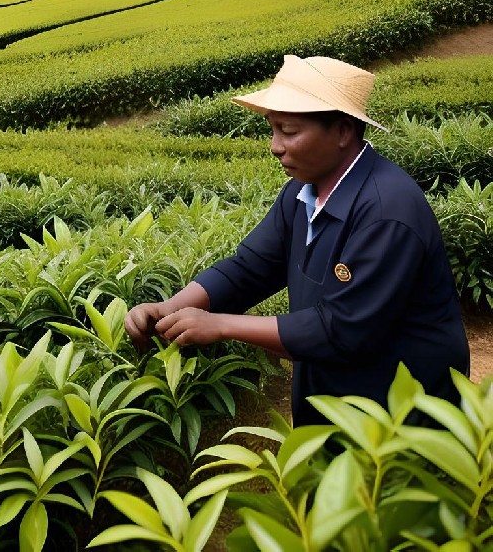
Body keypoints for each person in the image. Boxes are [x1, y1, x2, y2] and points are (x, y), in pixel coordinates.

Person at [125, 55, 469, 426]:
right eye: (272, 129)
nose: (275, 146)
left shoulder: (387, 211)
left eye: (288, 130)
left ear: (342, 131)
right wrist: (169, 308)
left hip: (400, 410)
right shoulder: (300, 194)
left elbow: (340, 329)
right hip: (334, 392)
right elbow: (250, 268)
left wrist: (220, 325)